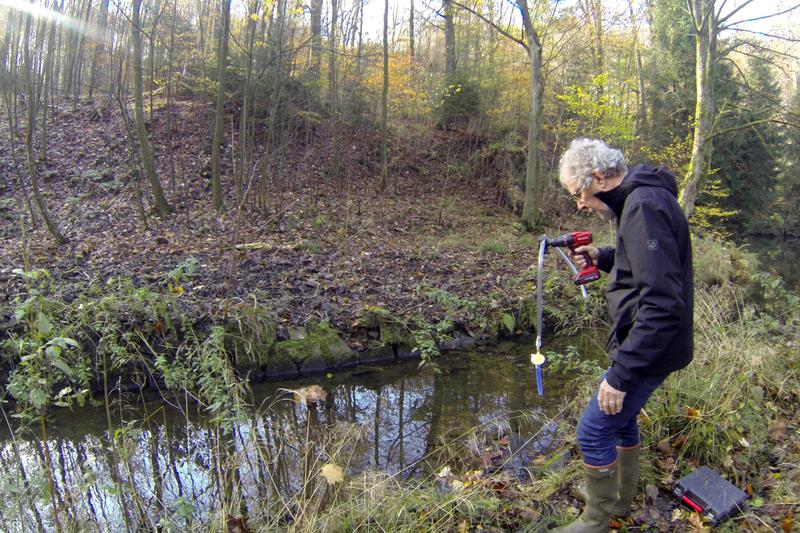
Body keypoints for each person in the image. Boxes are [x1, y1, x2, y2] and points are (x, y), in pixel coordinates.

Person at [554, 138, 694, 532]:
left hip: (649, 349)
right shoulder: (642, 199)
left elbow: (664, 304)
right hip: (649, 345)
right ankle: (619, 501)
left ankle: (596, 521)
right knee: (622, 419)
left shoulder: (643, 207)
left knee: (594, 428)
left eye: (578, 193)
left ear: (598, 177)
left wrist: (621, 374)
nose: (579, 203)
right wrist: (604, 257)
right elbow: (645, 262)